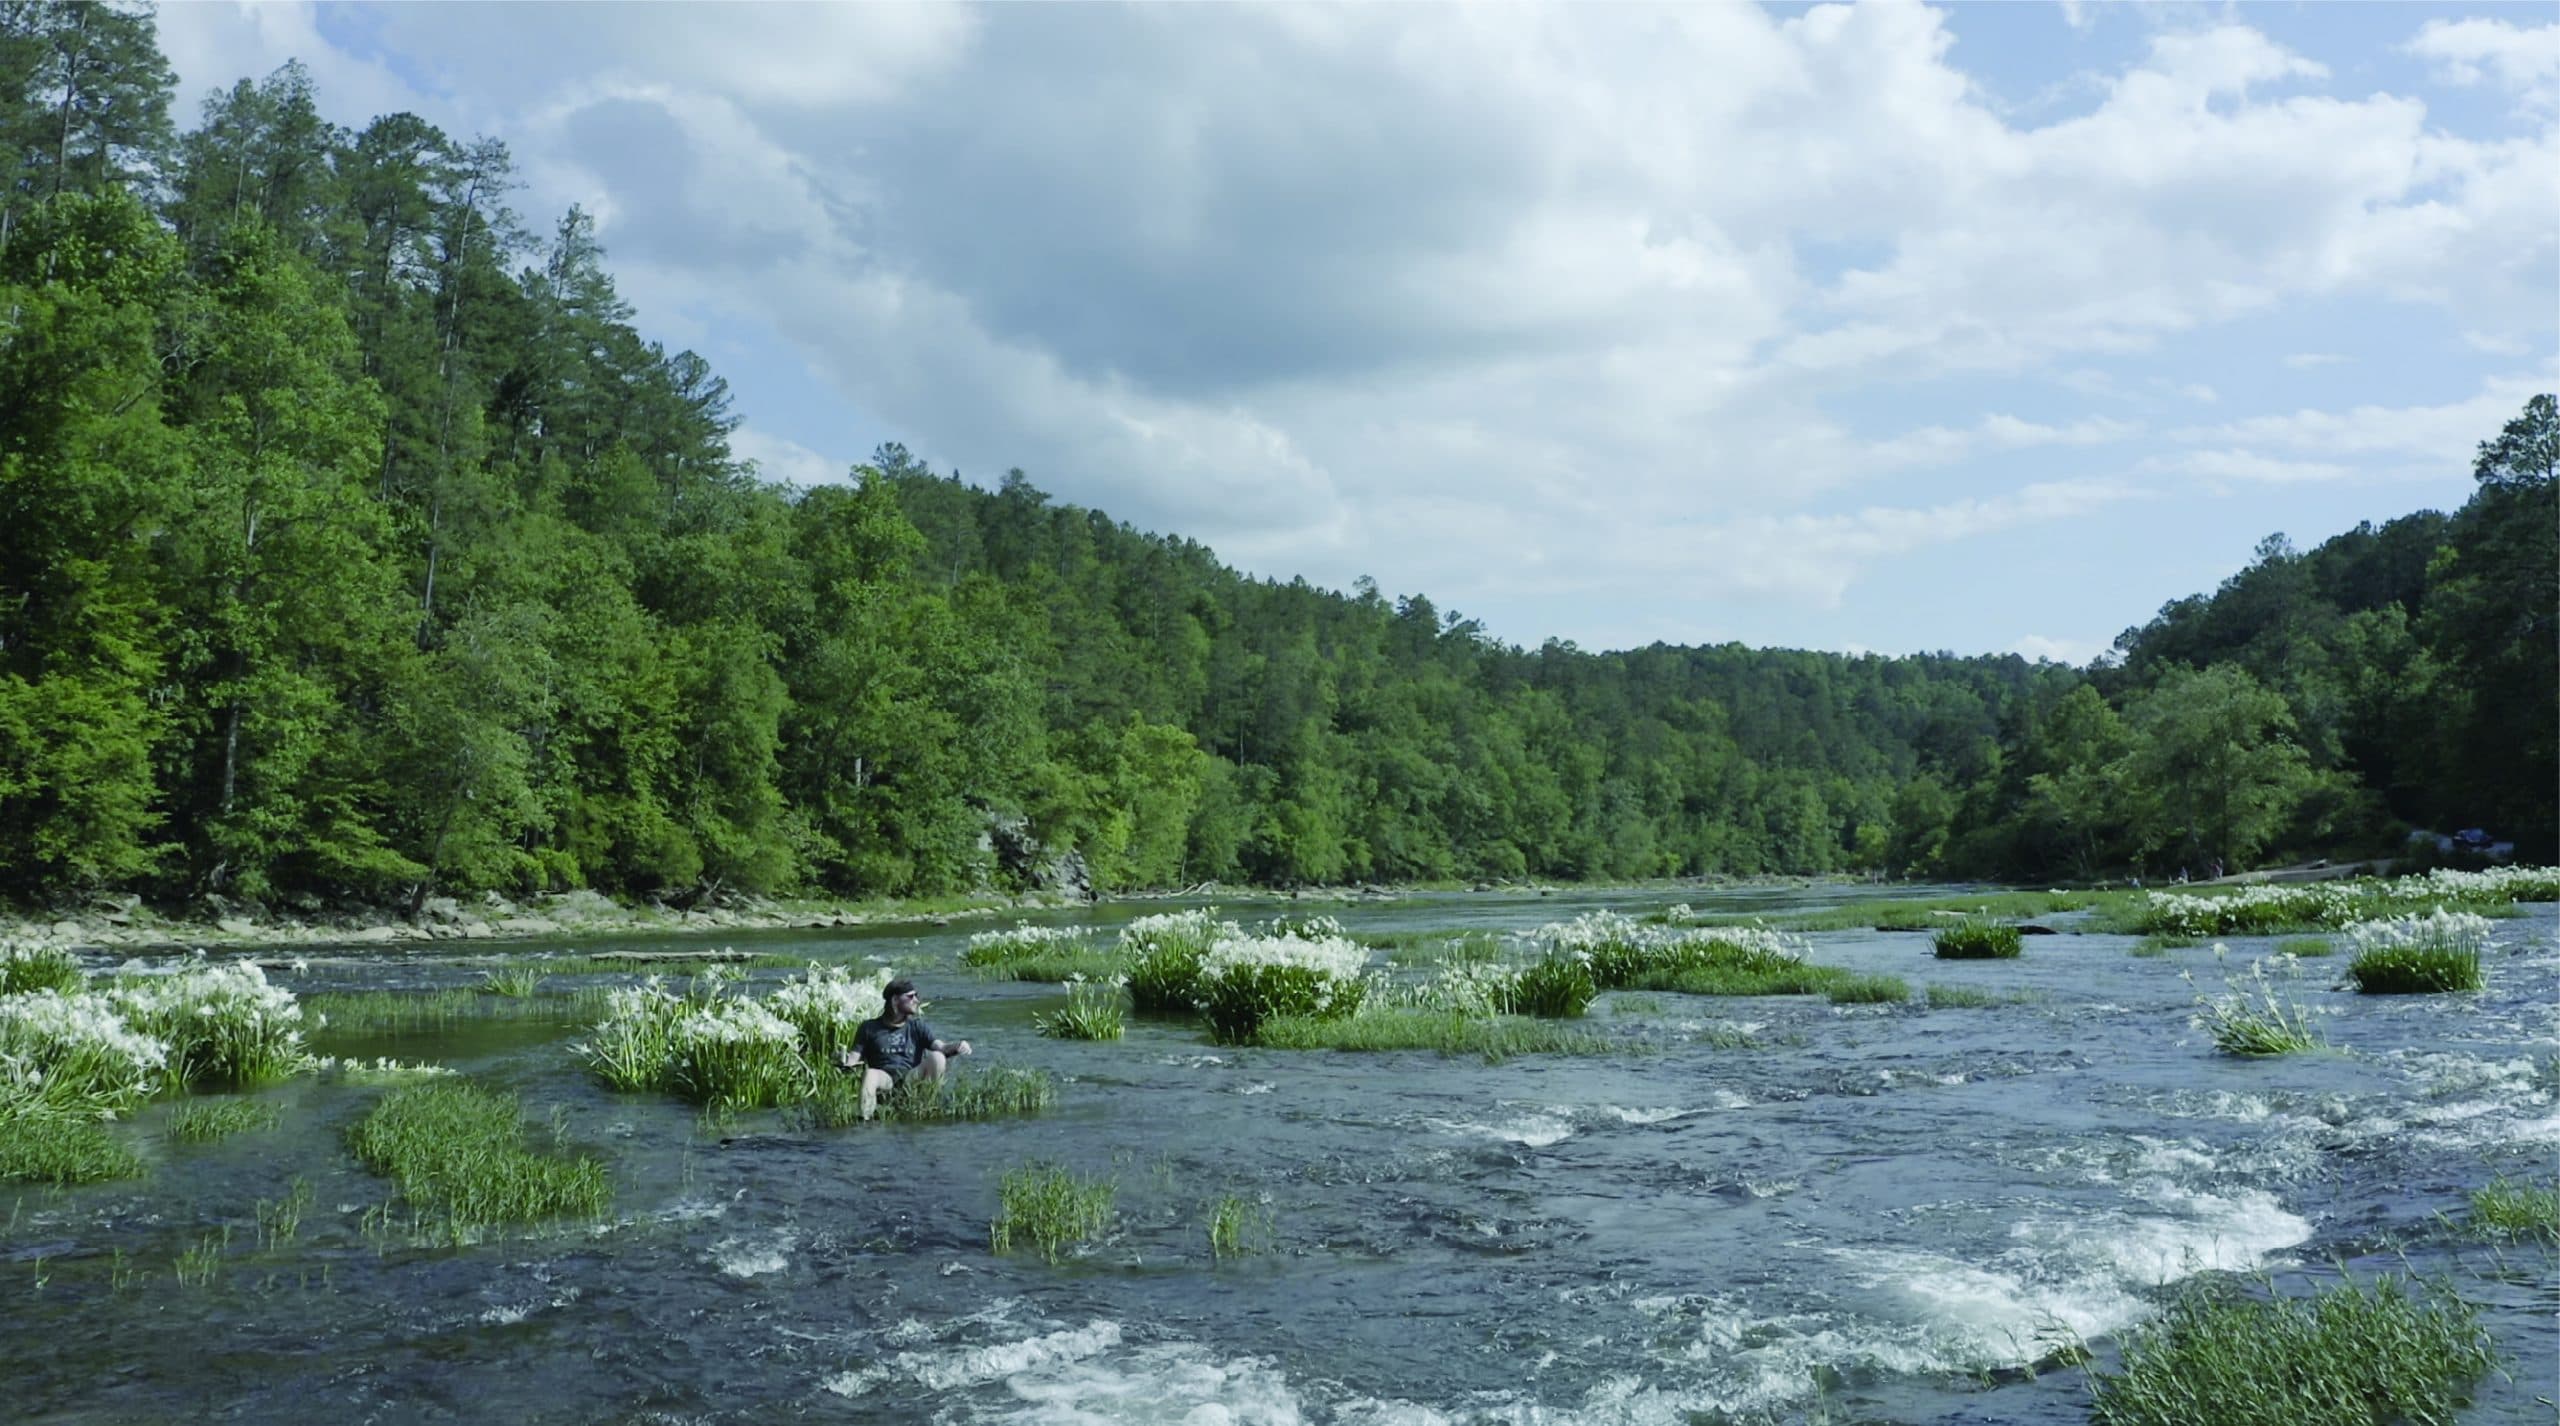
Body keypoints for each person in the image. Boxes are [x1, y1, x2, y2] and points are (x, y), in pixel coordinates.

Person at [840, 977, 971, 1121]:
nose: (916, 1000)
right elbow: (853, 1057)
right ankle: (864, 1121)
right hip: (885, 1080)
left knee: (938, 1057)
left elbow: (940, 1047)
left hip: (911, 1077)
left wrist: (957, 1046)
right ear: (895, 1000)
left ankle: (929, 1108)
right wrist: (844, 1063)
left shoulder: (917, 1027)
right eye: (910, 997)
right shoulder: (869, 1027)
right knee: (870, 1074)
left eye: (916, 996)